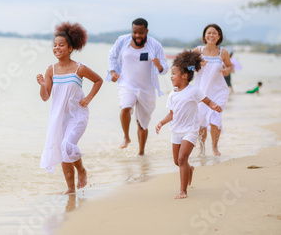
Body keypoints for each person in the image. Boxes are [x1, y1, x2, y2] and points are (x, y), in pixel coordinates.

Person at [37, 22, 103, 194]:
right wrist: (43, 85)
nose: (57, 48)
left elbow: (98, 80)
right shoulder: (50, 70)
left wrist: (88, 98)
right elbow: (45, 97)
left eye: (61, 45)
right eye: (54, 45)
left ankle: (81, 170)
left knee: (67, 145)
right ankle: (70, 188)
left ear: (70, 47)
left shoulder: (79, 68)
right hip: (59, 117)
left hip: (77, 116)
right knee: (62, 151)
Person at [156, 50, 222, 199]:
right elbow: (172, 114)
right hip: (176, 131)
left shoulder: (194, 91)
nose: (171, 76)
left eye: (174, 74)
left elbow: (208, 101)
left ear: (185, 76)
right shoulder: (172, 94)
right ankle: (189, 169)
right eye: (171, 74)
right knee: (176, 161)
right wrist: (161, 122)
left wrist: (214, 106)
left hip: (190, 131)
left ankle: (183, 191)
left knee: (182, 159)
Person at [107, 18, 168, 155]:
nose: (137, 36)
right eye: (135, 32)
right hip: (126, 84)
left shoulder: (155, 45)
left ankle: (141, 153)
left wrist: (159, 66)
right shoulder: (123, 41)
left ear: (146, 31)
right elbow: (112, 56)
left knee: (142, 124)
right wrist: (112, 71)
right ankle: (126, 137)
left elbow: (165, 69)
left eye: (141, 33)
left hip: (147, 89)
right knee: (125, 107)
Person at [193, 24, 233, 156]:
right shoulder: (197, 50)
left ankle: (215, 147)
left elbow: (229, 67)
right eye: (209, 33)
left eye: (214, 33)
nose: (211, 35)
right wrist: (197, 64)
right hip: (202, 91)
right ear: (204, 35)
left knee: (215, 117)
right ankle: (202, 148)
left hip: (219, 90)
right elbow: (185, 67)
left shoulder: (223, 52)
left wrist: (226, 71)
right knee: (202, 119)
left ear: (219, 36)